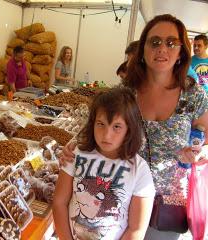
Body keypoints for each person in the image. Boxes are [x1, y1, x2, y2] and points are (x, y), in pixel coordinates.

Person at [59, 14, 208, 240]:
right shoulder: (127, 91)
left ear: (181, 51)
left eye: (171, 42)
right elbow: (98, 125)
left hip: (167, 203)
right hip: (116, 199)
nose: (162, 49)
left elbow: (206, 137)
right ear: (144, 49)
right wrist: (72, 147)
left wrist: (198, 154)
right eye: (155, 42)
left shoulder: (193, 94)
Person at [53, 86, 155, 240]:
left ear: (129, 129)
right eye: (101, 124)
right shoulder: (75, 155)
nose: (107, 135)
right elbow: (59, 203)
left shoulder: (139, 170)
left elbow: (136, 229)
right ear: (92, 123)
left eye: (117, 127)